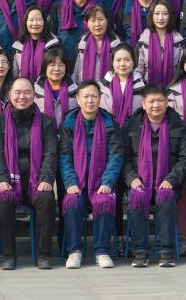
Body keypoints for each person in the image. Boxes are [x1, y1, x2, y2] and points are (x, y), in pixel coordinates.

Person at [0, 78, 61, 270]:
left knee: (46, 198)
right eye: (18, 92)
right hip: (10, 180)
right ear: (9, 95)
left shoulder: (46, 122)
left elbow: (50, 154)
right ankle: (8, 255)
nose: (22, 96)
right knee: (3, 198)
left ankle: (43, 254)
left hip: (35, 181)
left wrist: (46, 179)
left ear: (34, 95)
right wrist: (0, 179)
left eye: (27, 92)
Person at [122, 85, 186, 267]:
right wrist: (131, 178)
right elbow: (123, 158)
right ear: (143, 104)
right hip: (139, 181)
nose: (156, 105)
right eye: (151, 101)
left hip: (167, 182)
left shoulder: (179, 126)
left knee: (166, 199)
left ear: (167, 103)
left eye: (160, 101)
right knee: (136, 197)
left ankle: (166, 251)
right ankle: (140, 251)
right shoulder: (131, 126)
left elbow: (185, 158)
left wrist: (171, 179)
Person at [59, 83, 121, 269]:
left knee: (104, 201)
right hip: (77, 182)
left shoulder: (110, 124)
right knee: (72, 202)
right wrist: (70, 182)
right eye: (85, 96)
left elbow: (116, 156)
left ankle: (102, 251)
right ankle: (74, 251)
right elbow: (64, 157)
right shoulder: (68, 124)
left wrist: (108, 182)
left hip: (101, 182)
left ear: (100, 99)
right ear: (78, 100)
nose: (90, 100)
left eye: (94, 96)